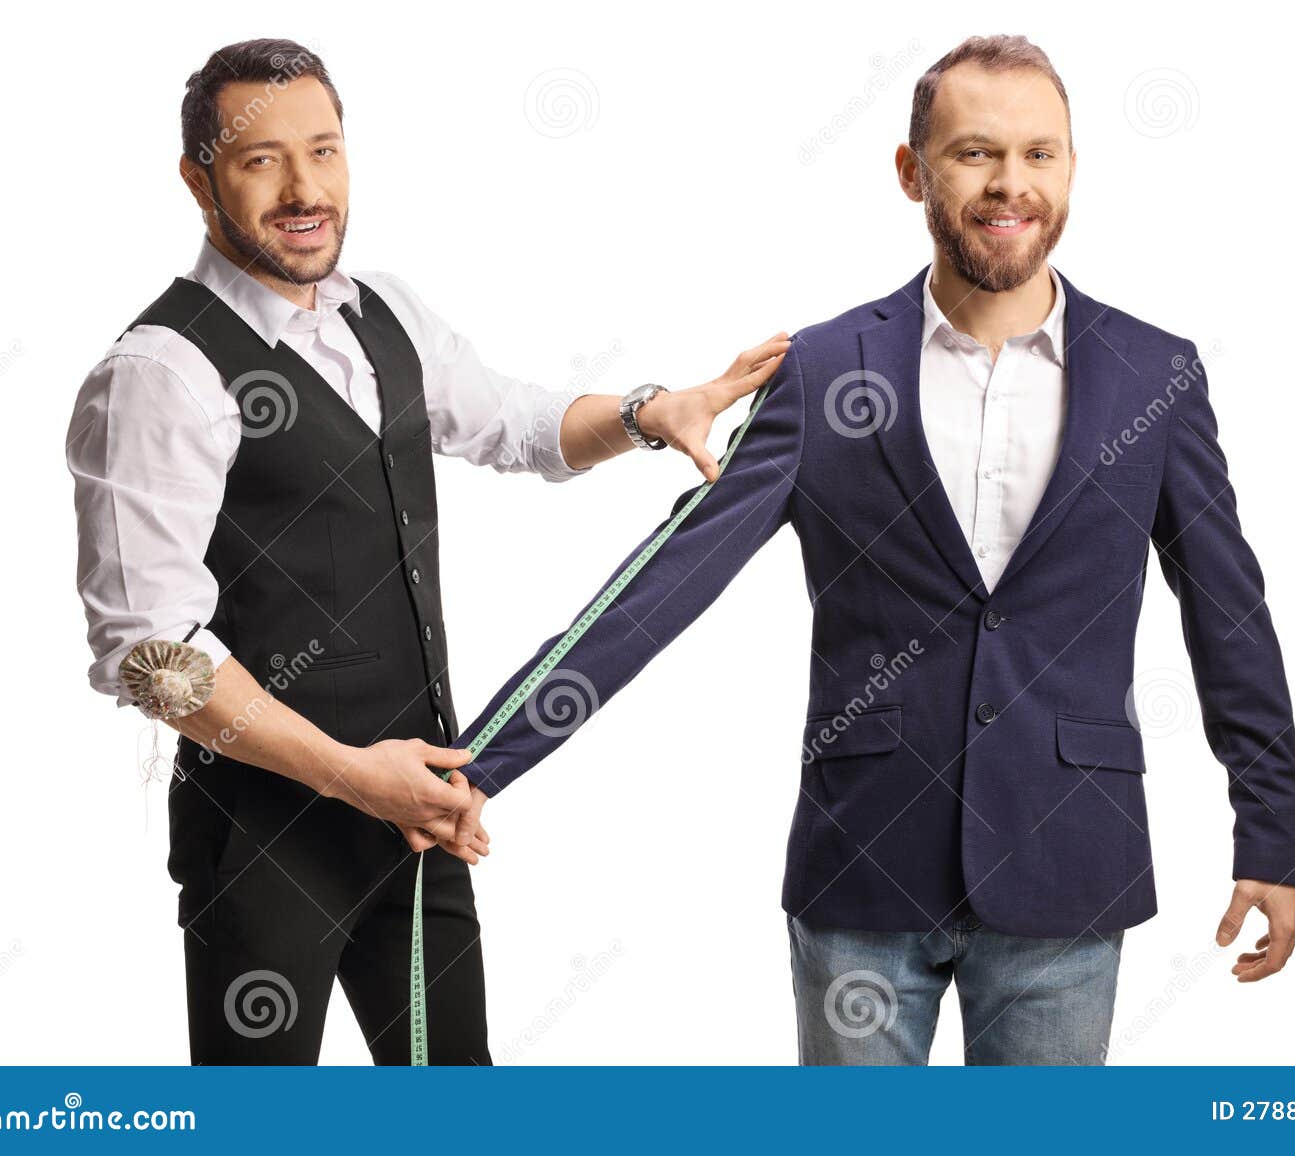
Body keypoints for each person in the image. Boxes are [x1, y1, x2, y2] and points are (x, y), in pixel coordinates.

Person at [434, 34, 1295, 1065]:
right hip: (862, 870)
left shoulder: (1153, 374)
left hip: (1068, 868)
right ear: (911, 171)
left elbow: (1226, 611)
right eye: (975, 153)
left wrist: (1273, 831)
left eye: (1040, 154)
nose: (1010, 185)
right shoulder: (823, 370)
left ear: (1071, 167)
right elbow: (667, 585)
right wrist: (482, 760)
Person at [65, 37, 787, 1064]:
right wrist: (354, 776)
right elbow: (151, 653)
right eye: (261, 159)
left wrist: (646, 411)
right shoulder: (160, 372)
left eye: (324, 149)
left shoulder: (383, 313)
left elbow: (517, 422)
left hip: (416, 816)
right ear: (198, 179)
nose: (304, 187)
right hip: (266, 840)